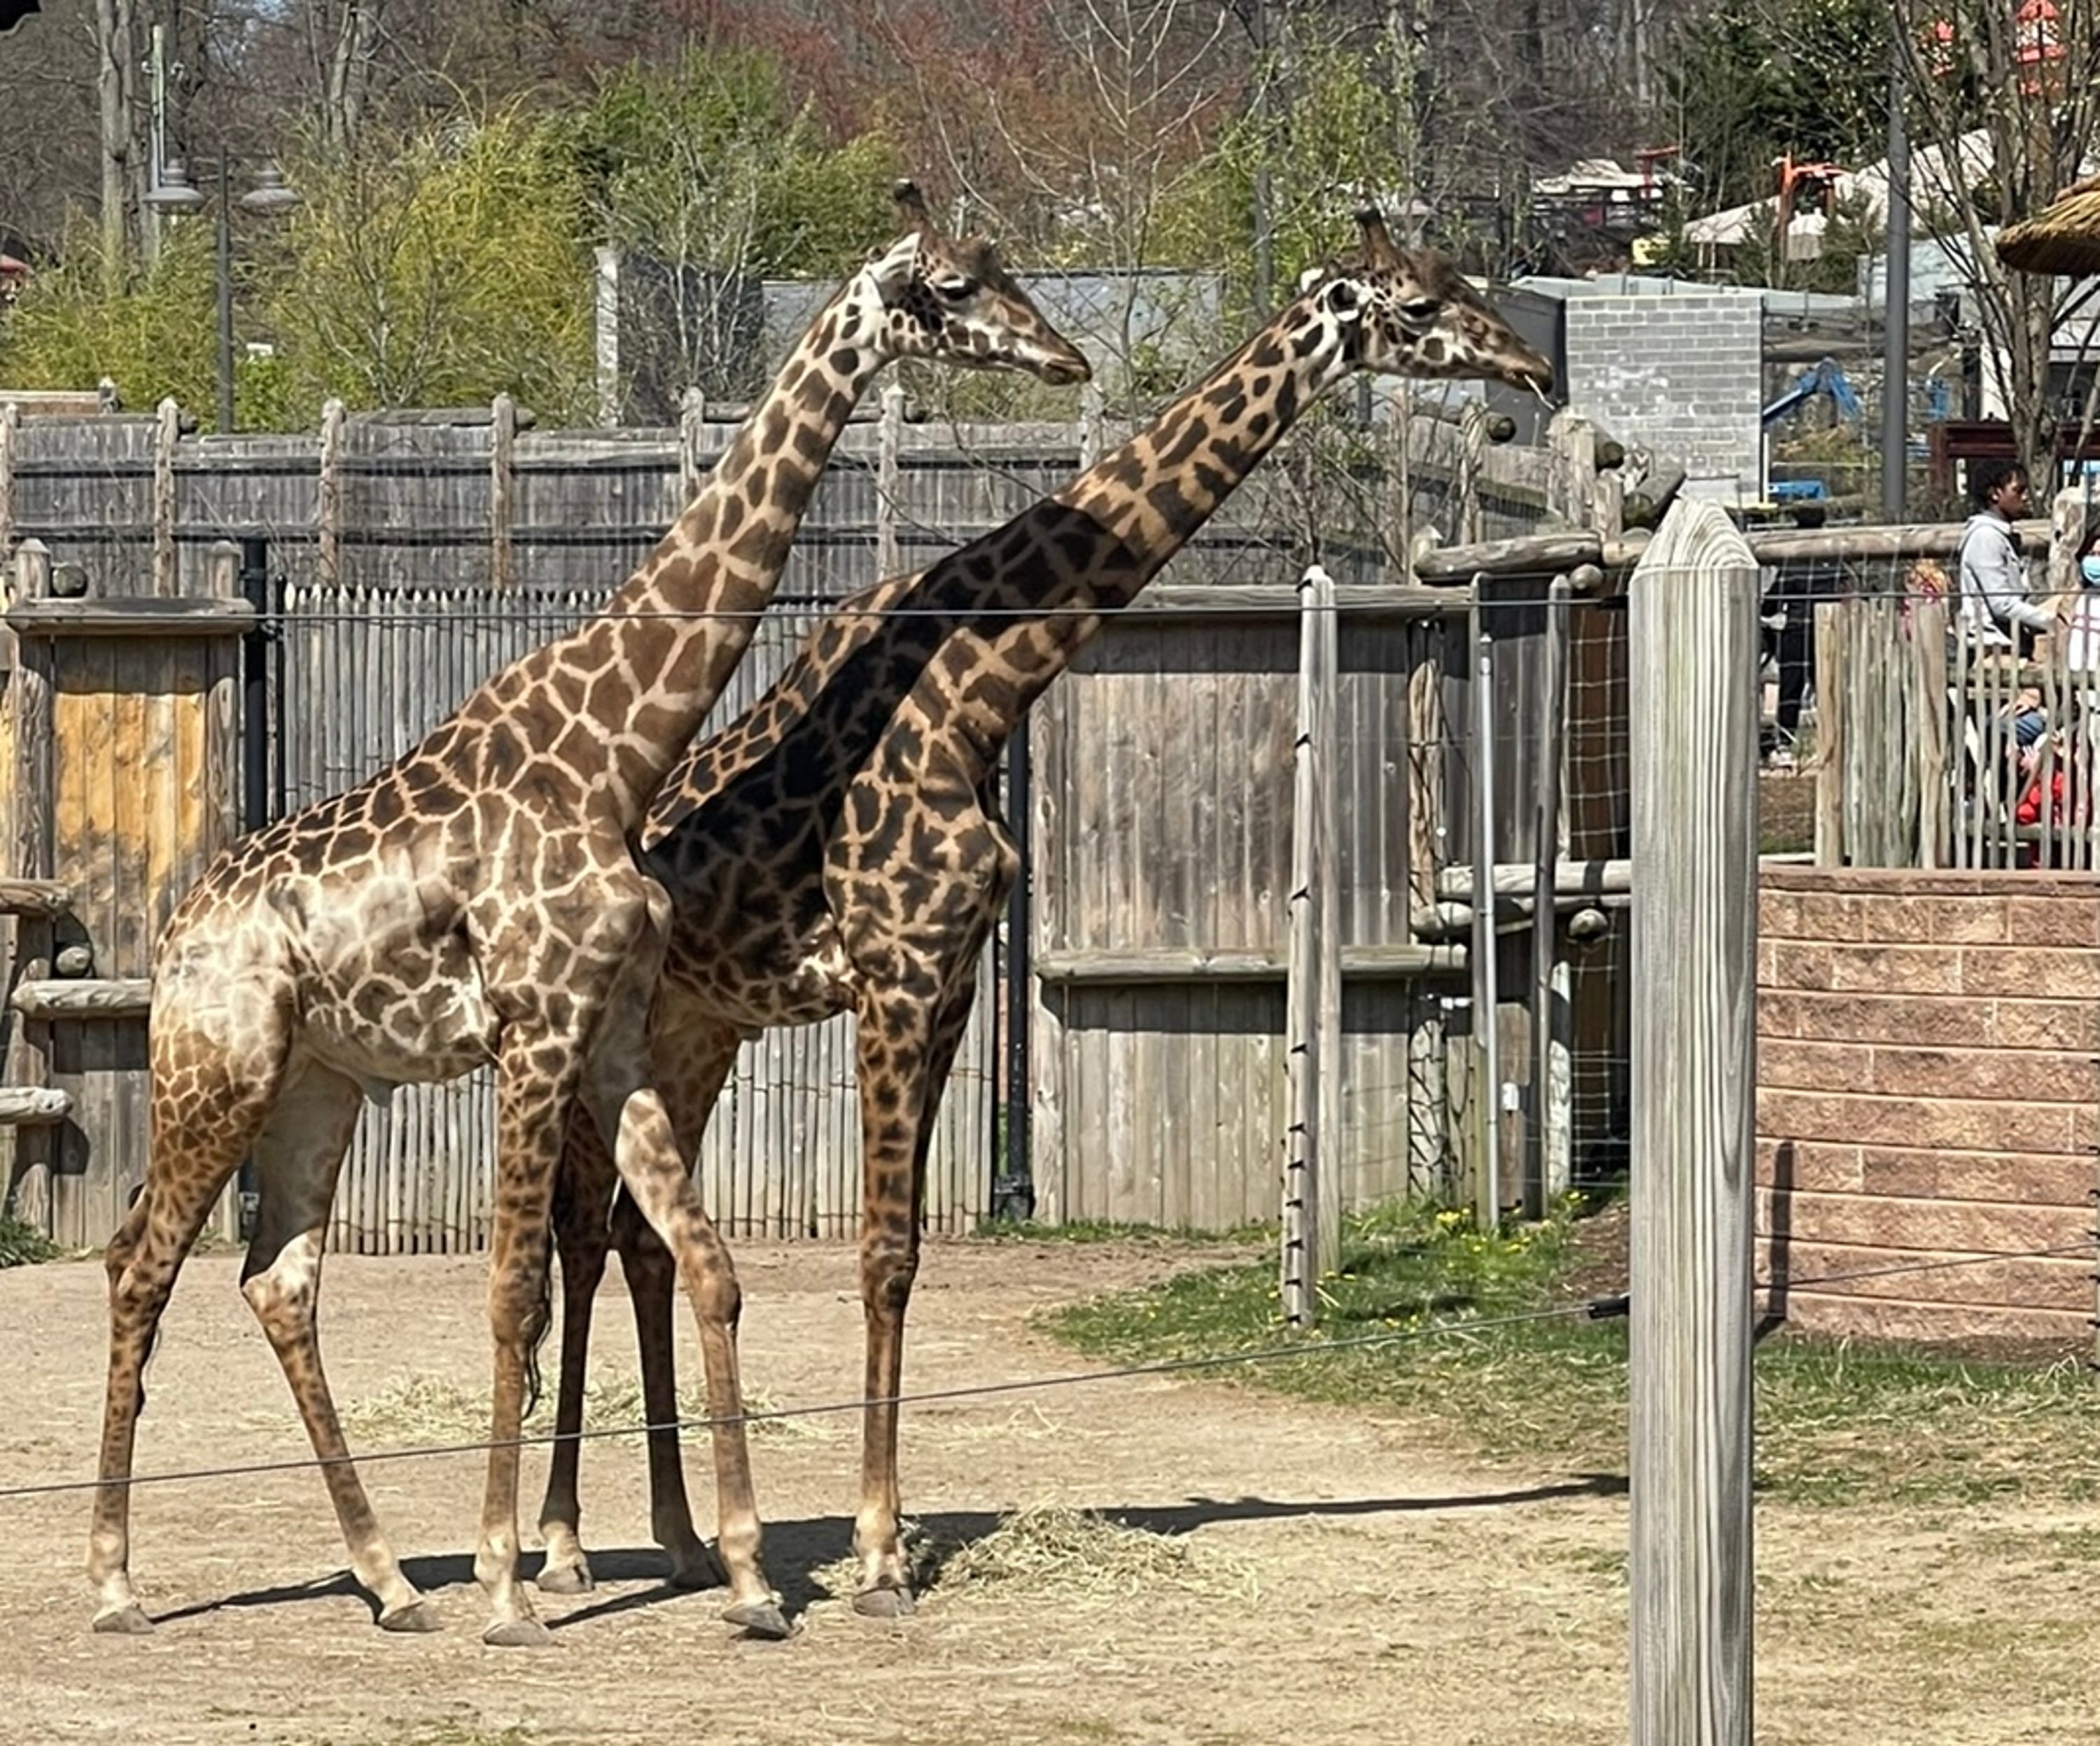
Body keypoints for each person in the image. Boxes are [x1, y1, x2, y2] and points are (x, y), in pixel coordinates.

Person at [1956, 457, 2052, 657]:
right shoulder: (1985, 537)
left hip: (2010, 644)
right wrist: (2050, 620)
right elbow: (2001, 604)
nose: (2026, 497)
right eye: (2018, 491)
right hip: (1994, 648)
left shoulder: (2002, 536)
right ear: (1995, 494)